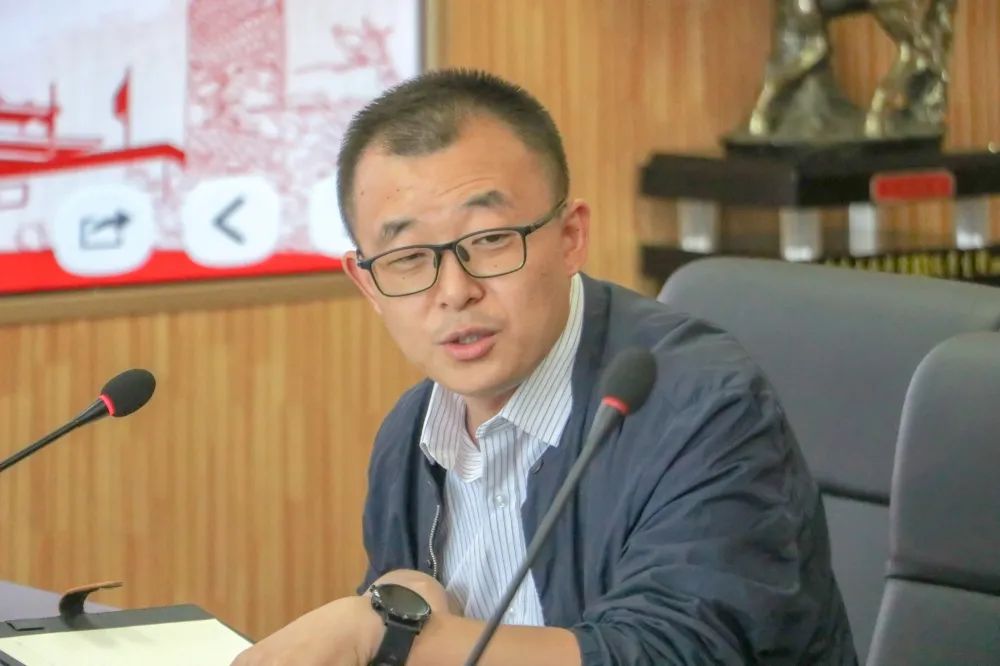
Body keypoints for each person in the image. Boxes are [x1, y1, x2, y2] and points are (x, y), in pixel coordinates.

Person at [233, 68, 857, 665]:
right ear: (367, 283)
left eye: (489, 240)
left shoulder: (704, 407)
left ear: (570, 237)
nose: (455, 291)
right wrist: (404, 601)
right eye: (408, 258)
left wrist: (397, 637)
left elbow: (674, 652)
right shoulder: (411, 435)